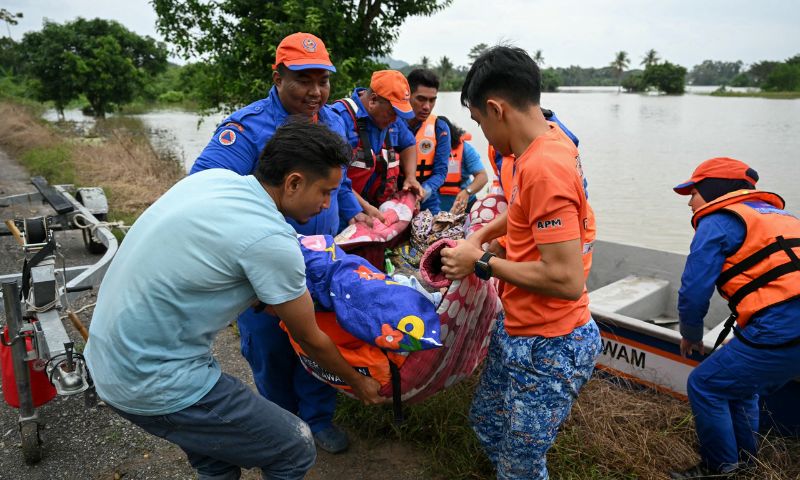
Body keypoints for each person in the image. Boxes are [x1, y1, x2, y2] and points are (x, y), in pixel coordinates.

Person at [84, 121, 383, 480]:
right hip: (152, 378)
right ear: (293, 182)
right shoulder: (271, 239)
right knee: (295, 447)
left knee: (217, 456)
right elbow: (310, 338)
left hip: (105, 359)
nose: (326, 205)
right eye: (326, 192)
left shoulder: (215, 181)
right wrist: (358, 382)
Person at [190, 32, 367, 453]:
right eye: (304, 80)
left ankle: (318, 418)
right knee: (271, 350)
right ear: (278, 77)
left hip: (320, 261)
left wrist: (356, 213)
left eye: (323, 80)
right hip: (263, 268)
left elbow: (339, 182)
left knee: (322, 337)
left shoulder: (332, 120)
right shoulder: (247, 129)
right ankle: (284, 426)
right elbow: (204, 192)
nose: (316, 92)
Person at [439, 46, 601, 479]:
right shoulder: (546, 140)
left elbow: (566, 279)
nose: (485, 136)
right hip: (518, 323)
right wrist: (481, 236)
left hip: (553, 341)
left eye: (480, 123)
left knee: (522, 464)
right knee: (486, 421)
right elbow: (521, 210)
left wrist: (481, 263)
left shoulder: (545, 167)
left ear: (497, 109)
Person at [670, 157, 800, 479]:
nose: (690, 202)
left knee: (705, 385)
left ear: (716, 189)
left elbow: (694, 290)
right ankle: (745, 463)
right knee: (740, 388)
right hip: (786, 325)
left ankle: (719, 469)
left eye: (694, 192)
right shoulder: (784, 218)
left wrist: (691, 333)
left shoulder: (717, 220)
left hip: (782, 328)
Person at [331, 70, 422, 211]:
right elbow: (333, 177)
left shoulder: (393, 119)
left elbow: (408, 144)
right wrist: (365, 208)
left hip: (376, 207)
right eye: (391, 113)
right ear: (373, 100)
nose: (395, 120)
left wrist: (410, 177)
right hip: (345, 210)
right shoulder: (338, 118)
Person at [405, 69, 451, 213]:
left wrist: (422, 192)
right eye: (421, 99)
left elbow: (440, 172)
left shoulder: (440, 128)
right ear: (407, 95)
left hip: (427, 200)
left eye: (432, 100)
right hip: (394, 196)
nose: (427, 106)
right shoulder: (392, 124)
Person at [436, 115, 488, 213]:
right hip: (434, 207)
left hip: (464, 205)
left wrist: (467, 192)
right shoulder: (424, 149)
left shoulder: (466, 149)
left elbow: (483, 177)